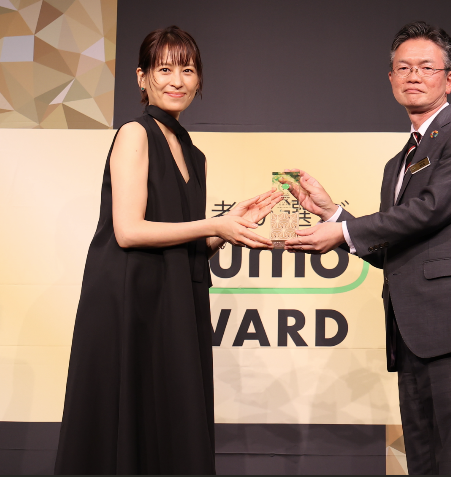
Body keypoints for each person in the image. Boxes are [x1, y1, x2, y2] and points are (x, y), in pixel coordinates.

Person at [54, 26, 281, 475]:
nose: (177, 81)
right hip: (130, 300)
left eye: (188, 70)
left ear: (199, 80)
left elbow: (184, 243)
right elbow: (128, 231)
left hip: (174, 297)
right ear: (142, 77)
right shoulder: (134, 134)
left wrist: (228, 228)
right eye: (164, 69)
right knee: (128, 417)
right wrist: (214, 223)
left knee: (172, 414)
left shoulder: (195, 155)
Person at [284, 21, 451, 475]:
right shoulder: (397, 163)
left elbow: (433, 209)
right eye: (403, 67)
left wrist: (342, 233)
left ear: (449, 79)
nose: (413, 76)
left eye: (426, 67)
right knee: (422, 465)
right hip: (410, 335)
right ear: (390, 78)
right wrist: (332, 215)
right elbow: (390, 249)